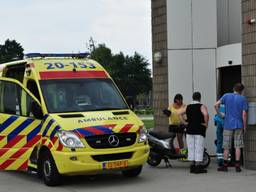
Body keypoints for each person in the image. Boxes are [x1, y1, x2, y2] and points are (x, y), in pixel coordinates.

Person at [214, 83, 248, 172]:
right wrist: (245, 127)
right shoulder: (243, 99)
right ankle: (237, 166)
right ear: (241, 91)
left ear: (233, 88)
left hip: (228, 124)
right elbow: (244, 114)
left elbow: (215, 105)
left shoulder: (226, 96)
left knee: (226, 146)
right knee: (238, 145)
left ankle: (225, 166)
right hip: (238, 124)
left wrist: (220, 114)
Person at [179, 92, 209, 174]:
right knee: (199, 147)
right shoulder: (202, 106)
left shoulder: (187, 107)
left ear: (192, 98)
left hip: (189, 130)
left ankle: (192, 166)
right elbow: (206, 114)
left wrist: (184, 123)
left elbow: (179, 114)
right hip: (199, 129)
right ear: (200, 98)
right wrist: (206, 124)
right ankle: (198, 167)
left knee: (191, 148)